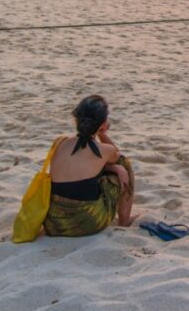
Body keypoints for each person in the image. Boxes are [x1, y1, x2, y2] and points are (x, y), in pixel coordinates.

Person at [42, 95, 137, 236]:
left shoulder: (60, 143)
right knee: (124, 164)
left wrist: (111, 167)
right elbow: (116, 157)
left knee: (111, 169)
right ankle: (124, 221)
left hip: (54, 223)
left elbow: (82, 166)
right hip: (86, 224)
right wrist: (103, 134)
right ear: (103, 124)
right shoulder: (104, 150)